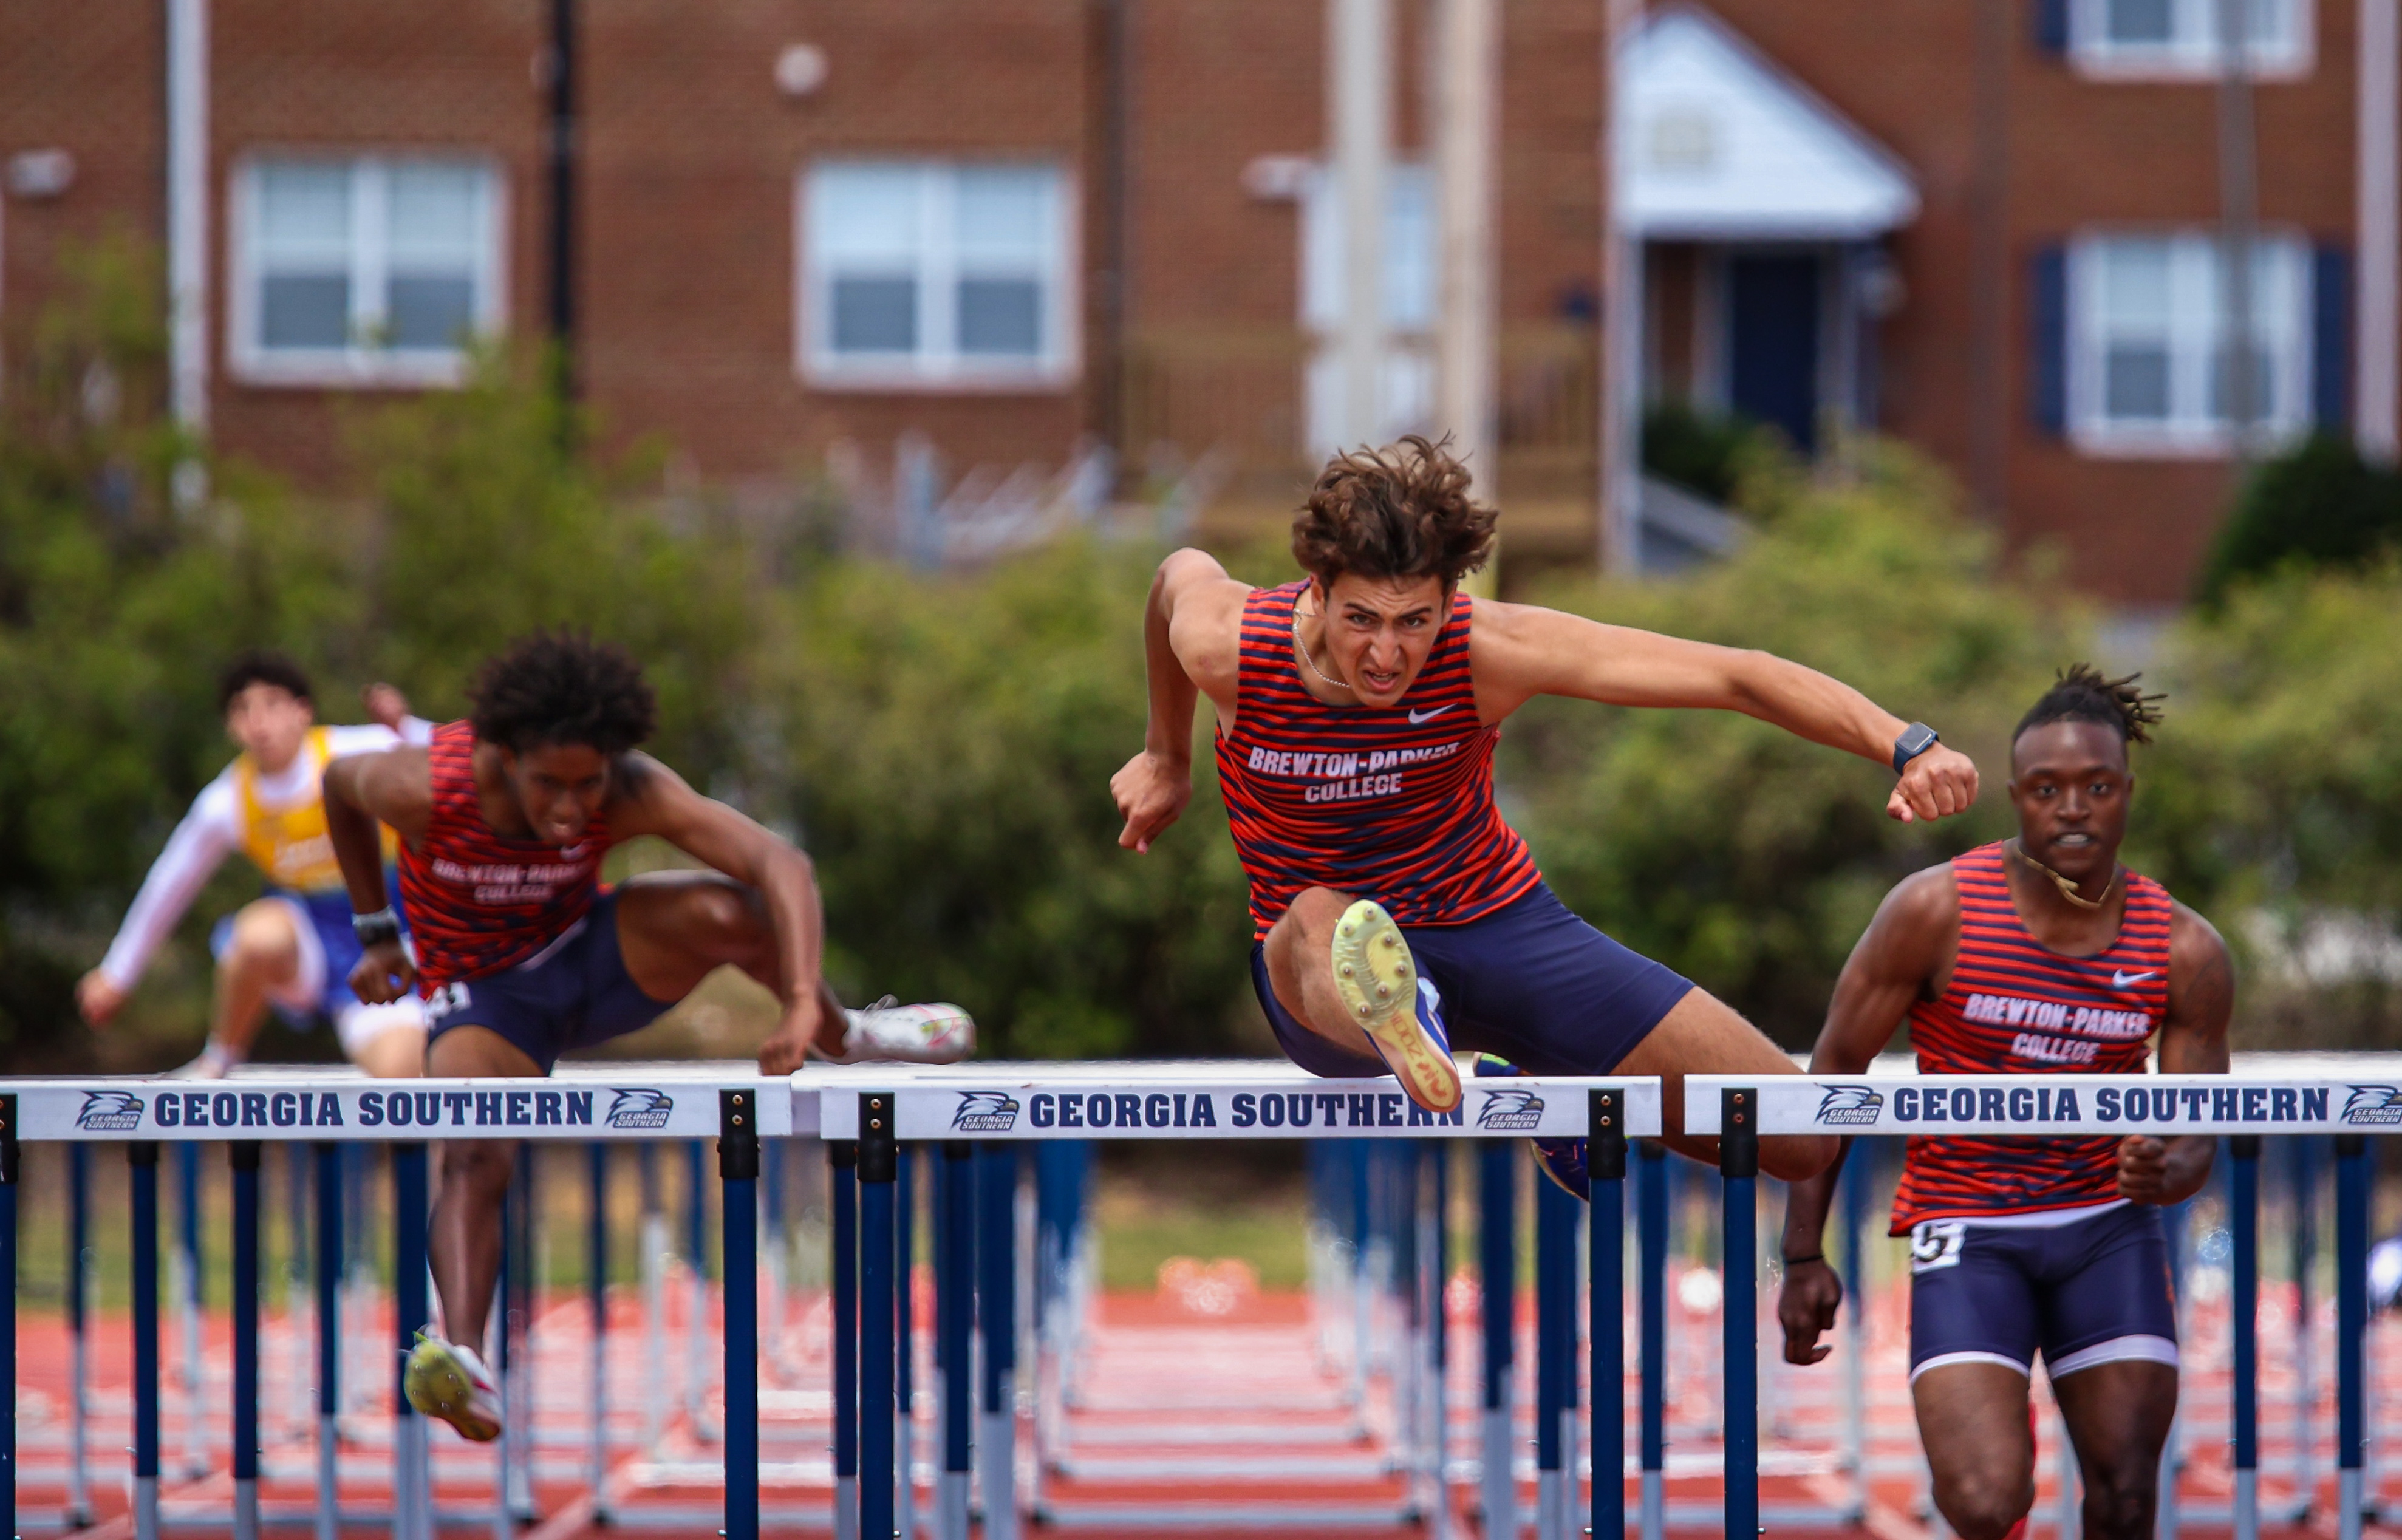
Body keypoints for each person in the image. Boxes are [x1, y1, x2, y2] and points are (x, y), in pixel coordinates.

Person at [1108, 436, 1979, 1187]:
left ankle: (1504, 1053)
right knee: (1320, 919)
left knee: (1797, 1137)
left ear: (1451, 597)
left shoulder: (1490, 651)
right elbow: (1172, 578)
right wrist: (1165, 754)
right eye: (1360, 619)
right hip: (1319, 970)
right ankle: (1411, 1015)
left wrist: (1906, 744)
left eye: (1414, 621)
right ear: (1317, 587)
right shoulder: (1231, 645)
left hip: (1498, 923)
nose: (1384, 654)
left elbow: (1735, 674)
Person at [1776, 668, 2232, 1540]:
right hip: (1966, 1222)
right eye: (2043, 789)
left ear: (2127, 794)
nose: (2069, 808)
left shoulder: (2184, 948)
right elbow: (1829, 1075)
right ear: (2015, 801)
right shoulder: (1932, 910)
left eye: (2093, 786)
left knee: (2125, 1498)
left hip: (2103, 1228)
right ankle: (1993, 1492)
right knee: (1985, 1502)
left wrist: (2170, 1169)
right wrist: (1801, 1252)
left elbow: (2196, 1135)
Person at [324, 632, 972, 1442]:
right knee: (474, 1149)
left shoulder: (628, 787)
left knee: (730, 911)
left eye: (586, 786)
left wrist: (800, 998)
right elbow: (336, 788)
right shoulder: (422, 785)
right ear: (504, 757)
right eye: (547, 786)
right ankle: (467, 1362)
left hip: (591, 956)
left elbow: (782, 863)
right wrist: (376, 930)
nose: (568, 809)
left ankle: (846, 1029)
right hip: (488, 995)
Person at [78, 652, 432, 1078]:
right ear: (230, 726)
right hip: (311, 949)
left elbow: (452, 757)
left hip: (395, 939)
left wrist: (405, 728)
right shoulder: (226, 801)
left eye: (272, 705)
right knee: (255, 936)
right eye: (242, 710)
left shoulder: (358, 749)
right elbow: (170, 883)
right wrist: (118, 974)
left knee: (401, 1080)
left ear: (304, 711)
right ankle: (220, 1061)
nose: (258, 723)